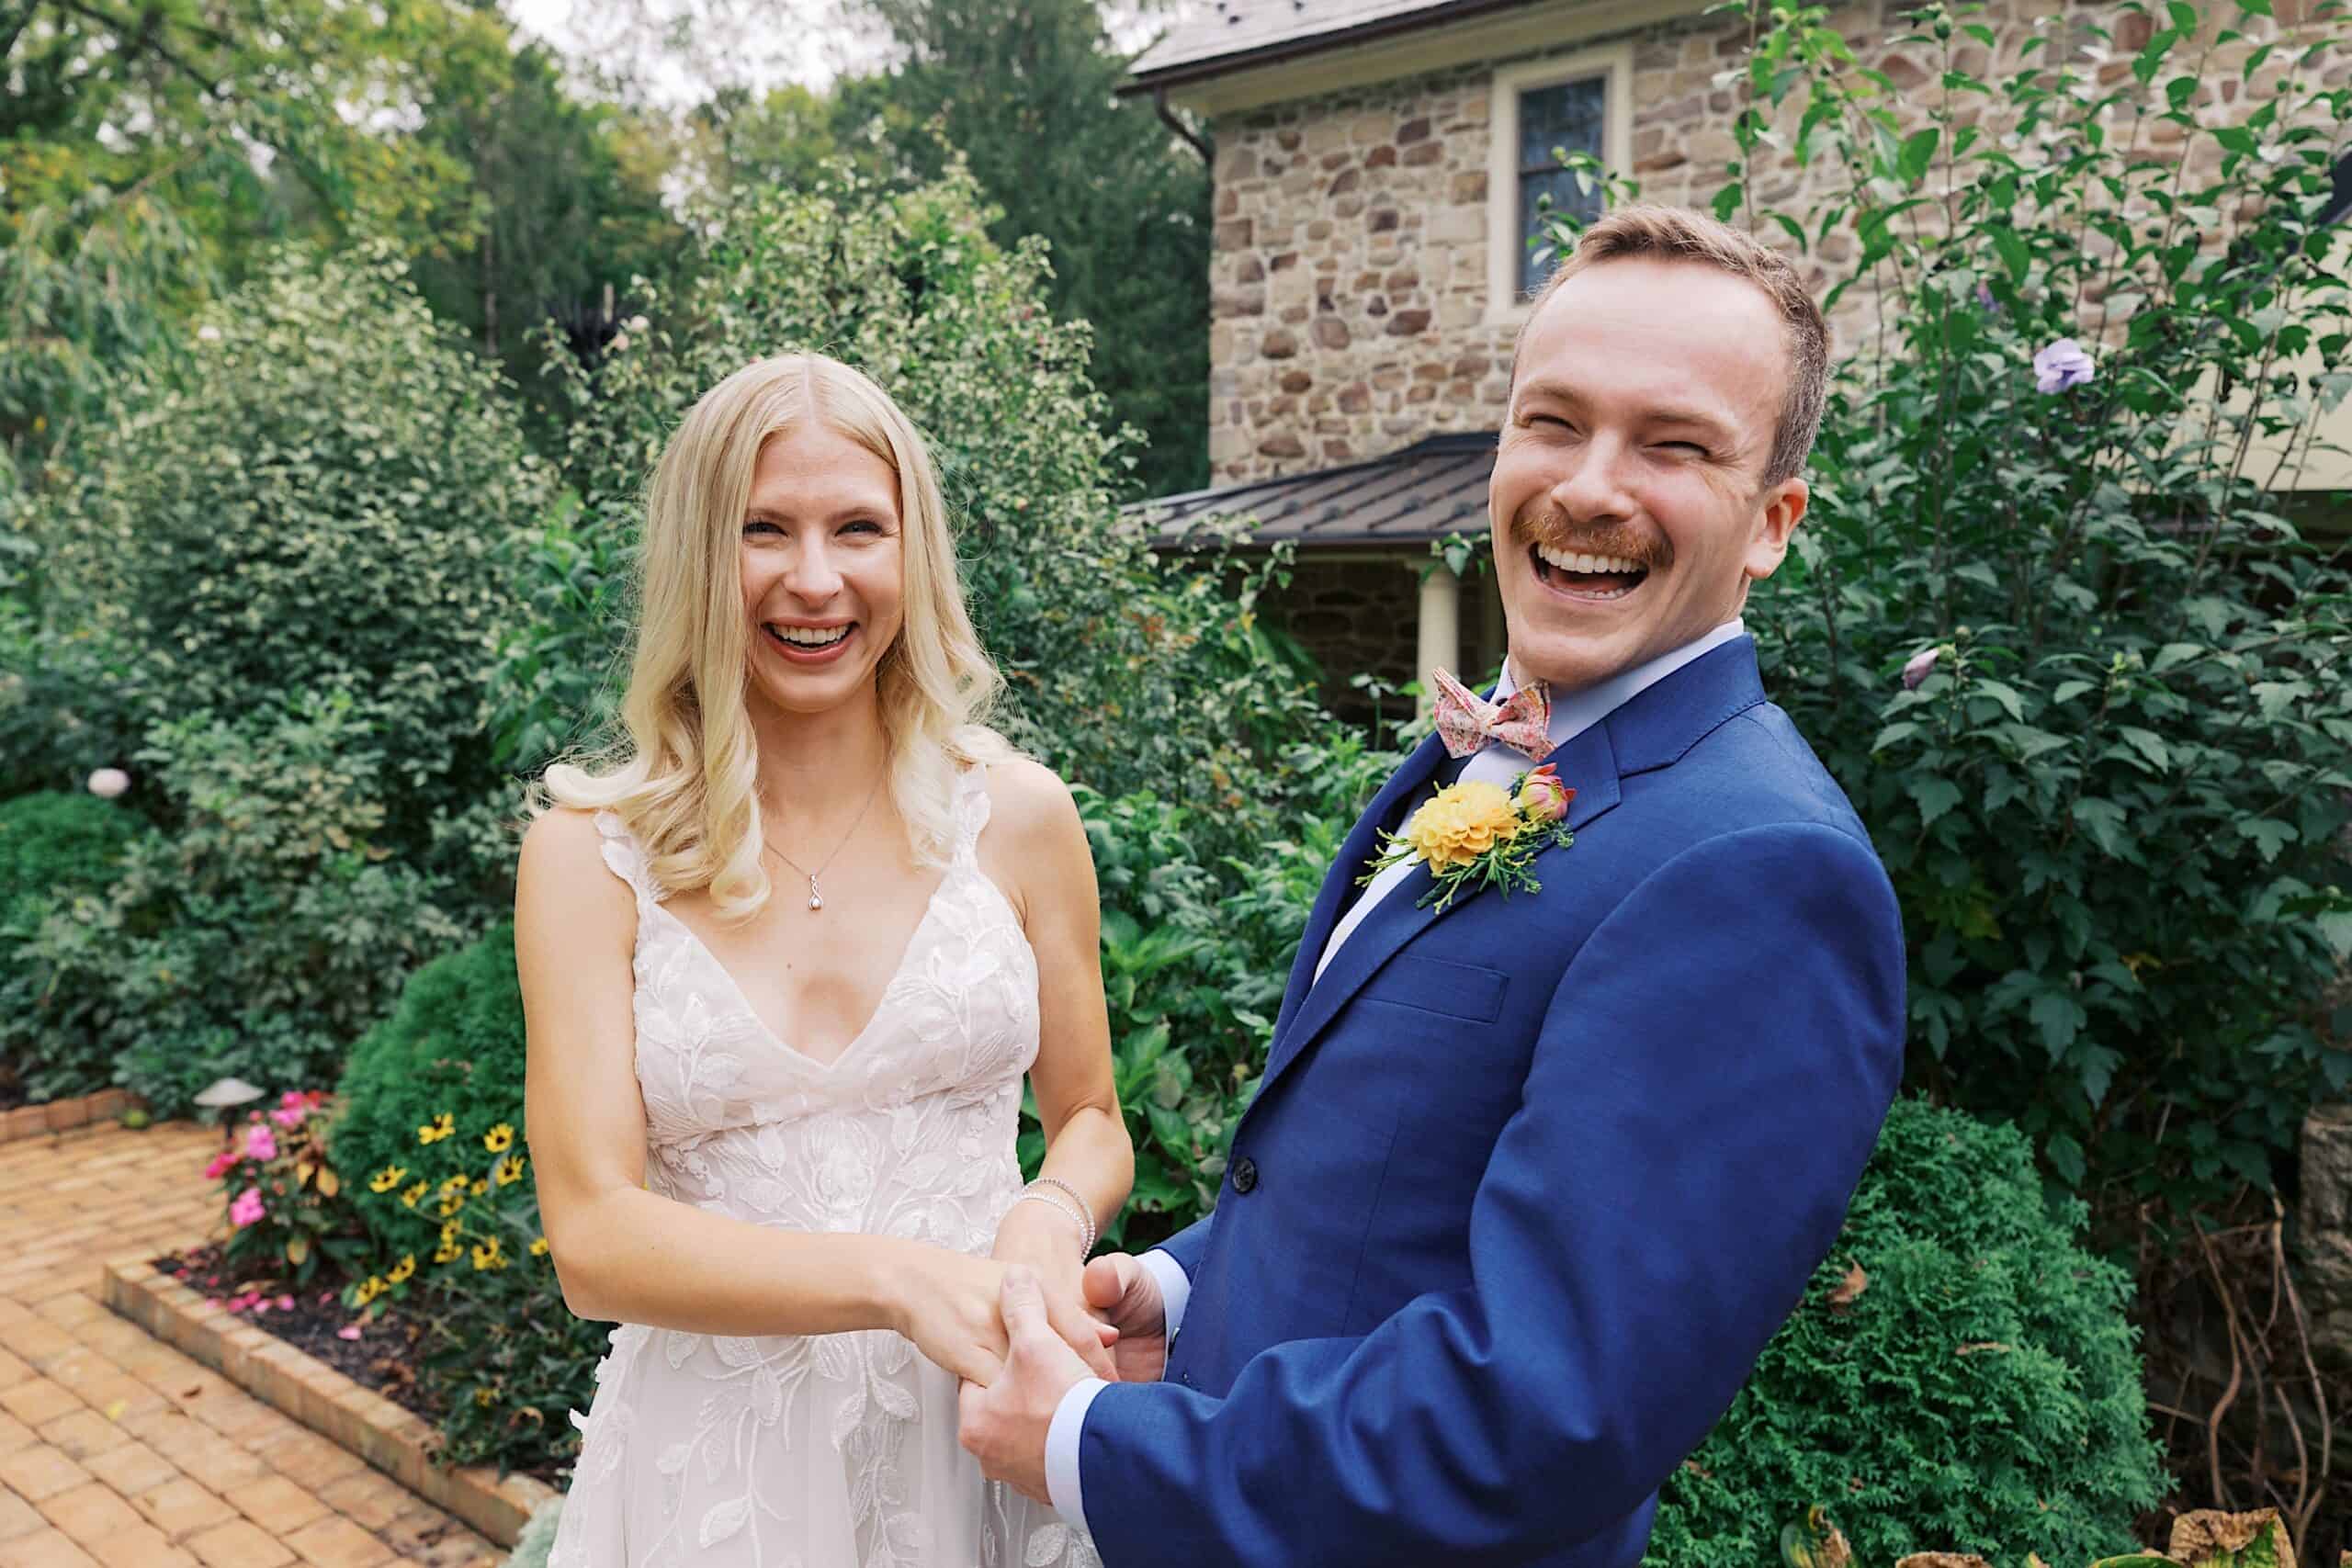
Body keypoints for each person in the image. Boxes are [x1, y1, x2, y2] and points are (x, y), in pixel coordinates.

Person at [957, 204, 1908, 1567]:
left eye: (1674, 444)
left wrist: (1086, 1444)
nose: (1590, 485)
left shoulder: (1759, 872)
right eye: (1554, 422)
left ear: (1771, 524)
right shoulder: (1495, 747)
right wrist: (1192, 1284)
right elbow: (1394, 1169)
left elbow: (1547, 1409)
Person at [517, 352, 1127, 1567]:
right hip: (719, 1483)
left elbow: (1093, 1117)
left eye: (859, 528)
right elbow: (593, 1240)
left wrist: (1051, 1218)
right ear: (701, 554)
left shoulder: (1019, 815)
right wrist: (895, 1280)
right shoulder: (588, 856)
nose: (815, 580)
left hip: (984, 1445)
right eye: (763, 531)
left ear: (913, 552)